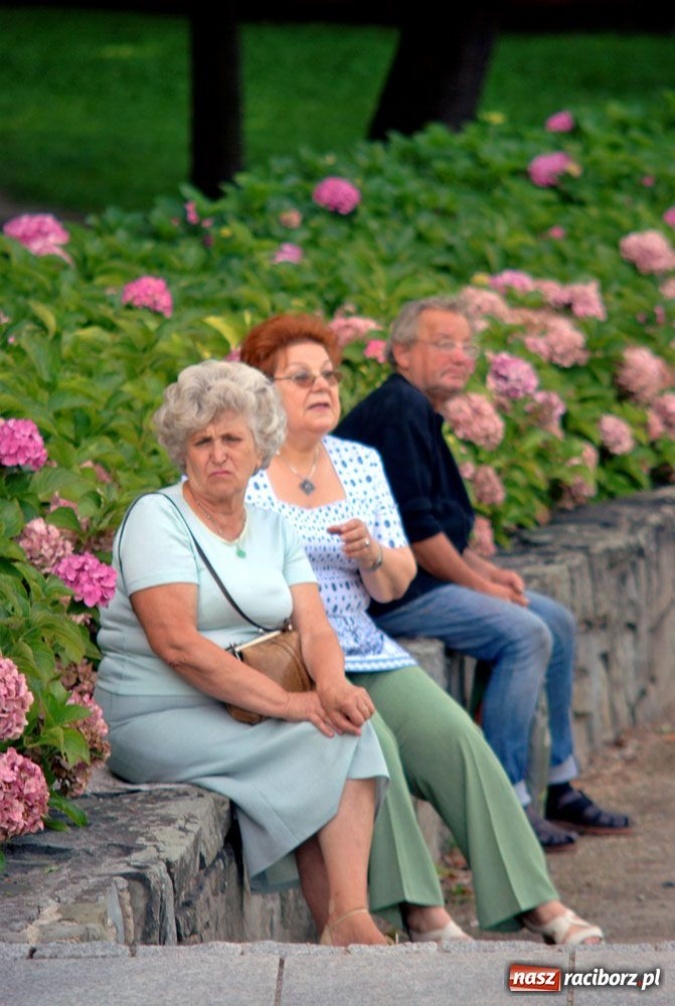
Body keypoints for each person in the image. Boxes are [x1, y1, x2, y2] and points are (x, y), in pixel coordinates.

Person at [239, 312, 604, 946]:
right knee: (371, 745)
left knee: (459, 741)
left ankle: (537, 901)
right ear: (262, 389)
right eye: (300, 377)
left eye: (329, 375)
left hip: (365, 647)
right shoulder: (242, 472)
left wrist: (372, 554)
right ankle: (423, 913)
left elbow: (396, 581)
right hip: (293, 661)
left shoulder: (356, 463)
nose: (323, 386)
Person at [95, 360, 392, 948]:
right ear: (183, 452)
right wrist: (292, 704)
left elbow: (315, 629)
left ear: (261, 450)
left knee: (348, 725)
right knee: (319, 734)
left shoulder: (274, 527)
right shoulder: (158, 517)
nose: (218, 454)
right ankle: (345, 924)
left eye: (232, 439)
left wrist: (330, 687)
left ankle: (346, 919)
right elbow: (177, 646)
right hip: (157, 713)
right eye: (202, 441)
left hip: (239, 705)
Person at [335, 295, 632, 852]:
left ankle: (560, 782)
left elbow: (437, 524)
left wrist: (487, 572)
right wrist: (481, 586)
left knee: (558, 621)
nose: (460, 356)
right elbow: (419, 540)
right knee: (524, 632)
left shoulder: (418, 409)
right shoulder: (398, 410)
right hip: (388, 590)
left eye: (466, 345)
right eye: (443, 343)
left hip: (422, 576)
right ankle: (507, 804)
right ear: (401, 352)